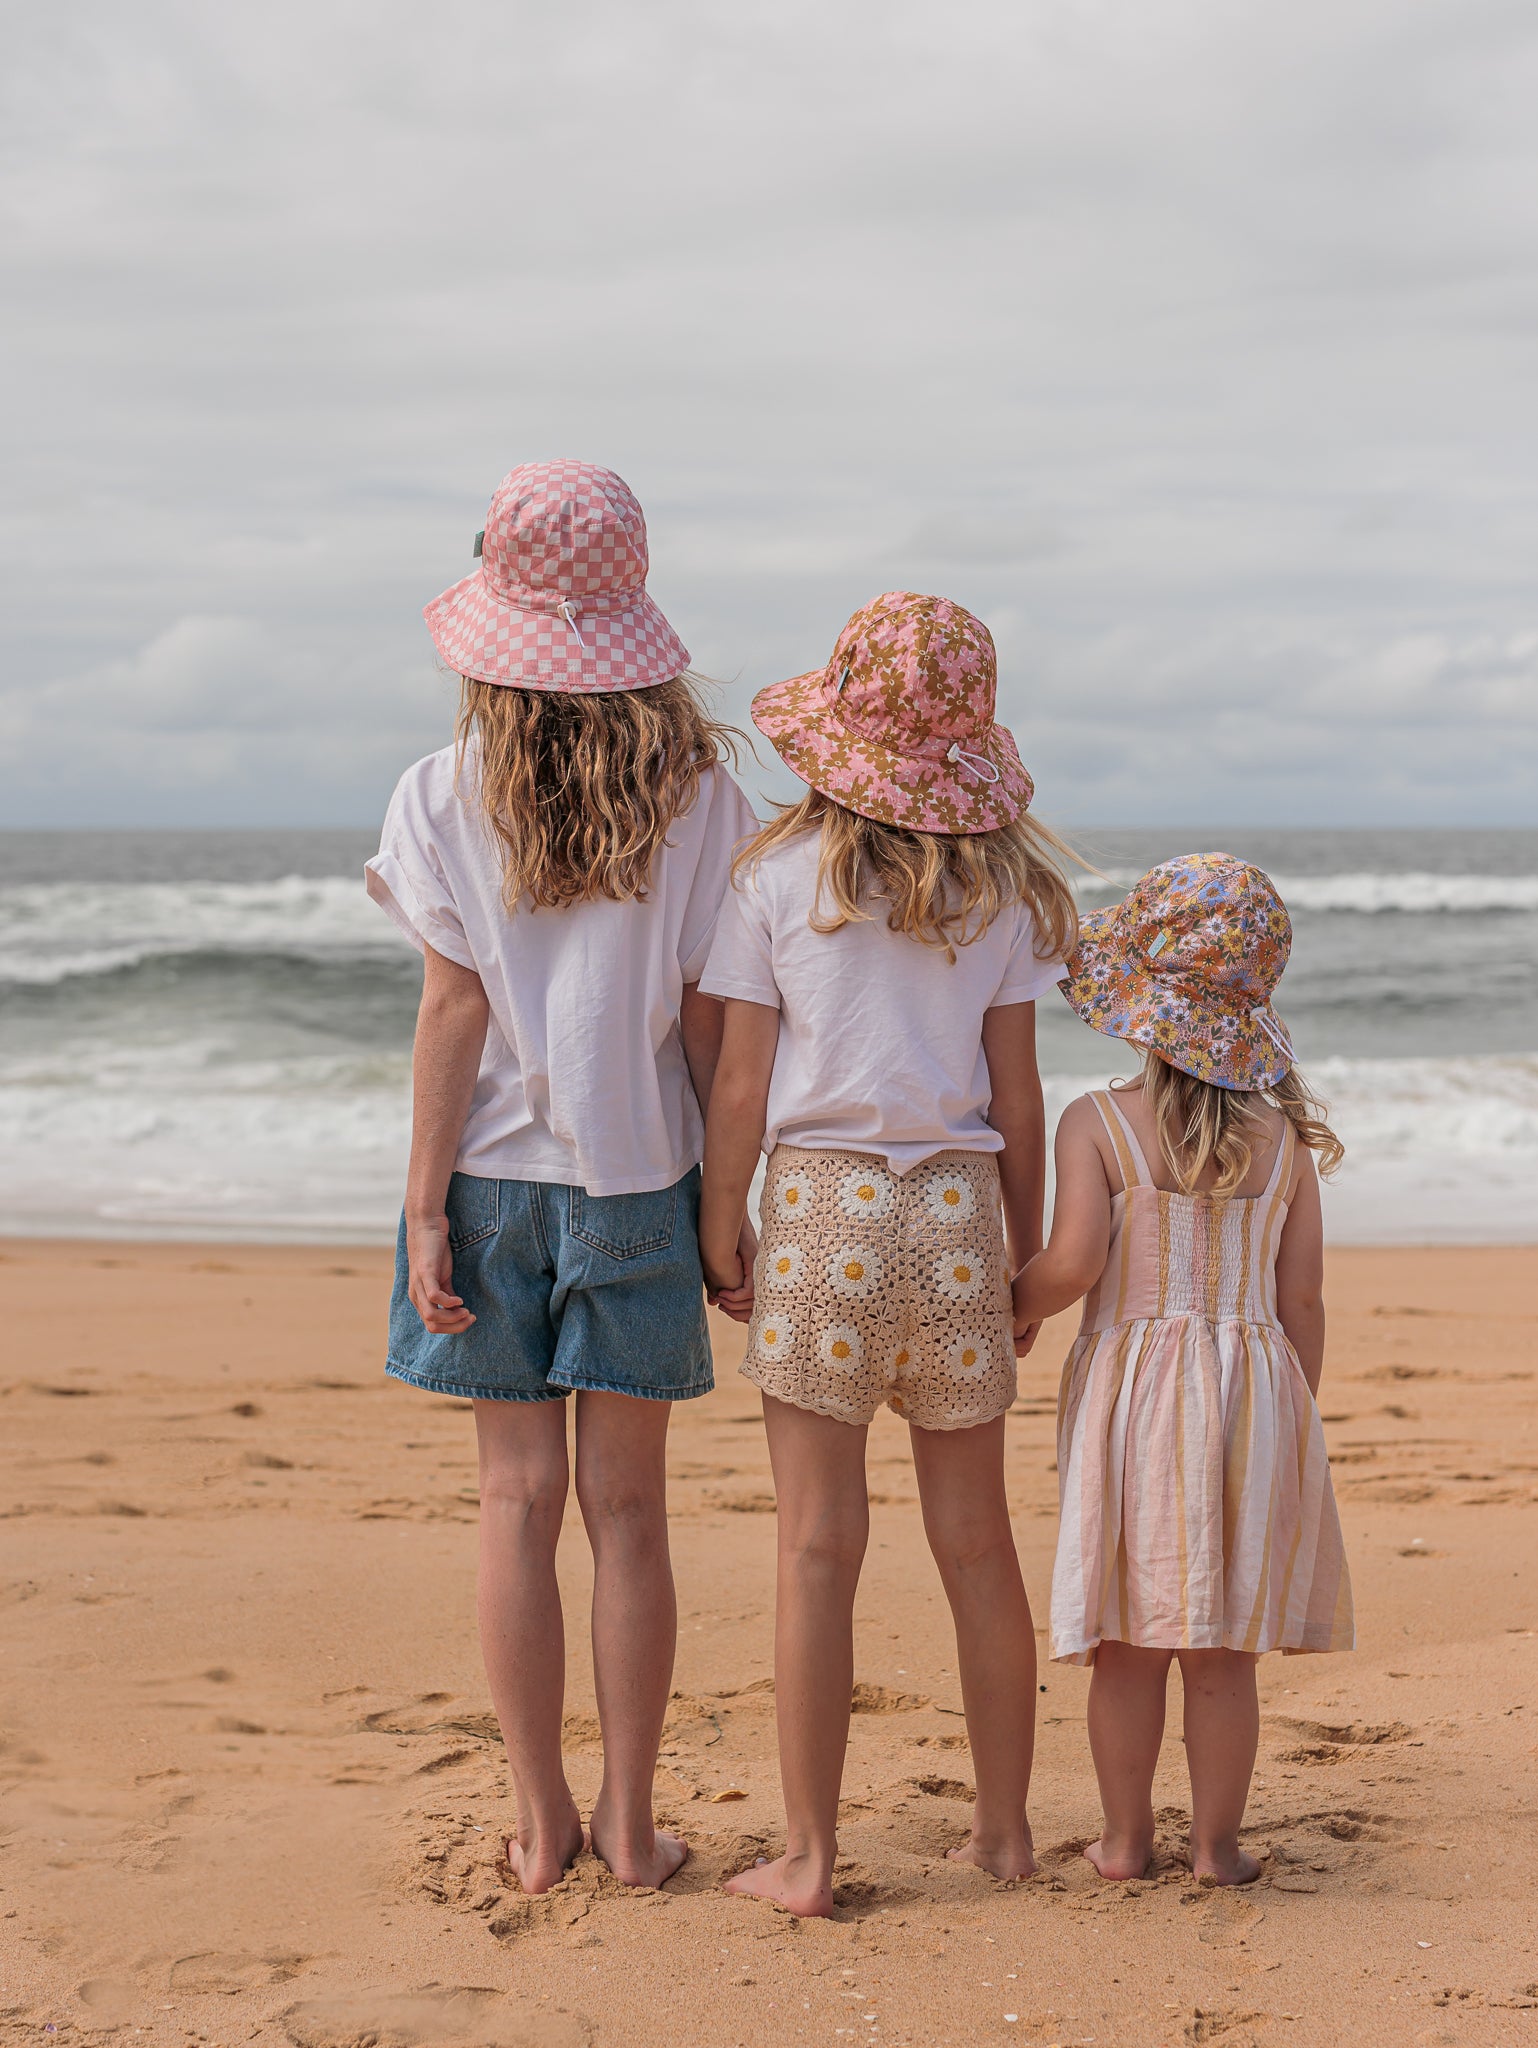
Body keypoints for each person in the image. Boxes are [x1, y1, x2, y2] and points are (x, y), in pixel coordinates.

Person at [365, 461, 757, 1894]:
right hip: (641, 1183)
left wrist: (422, 1213)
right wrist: (729, 1211)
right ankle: (636, 1825)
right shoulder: (706, 802)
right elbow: (717, 1030)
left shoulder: (438, 792)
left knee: (514, 1507)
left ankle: (539, 1829)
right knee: (632, 1518)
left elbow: (452, 1017)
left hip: (489, 1186)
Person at [696, 590, 1080, 1916]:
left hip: (821, 1213)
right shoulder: (1009, 890)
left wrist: (714, 1224)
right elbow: (1015, 1096)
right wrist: (1026, 1252)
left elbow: (740, 1086)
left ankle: (807, 1856)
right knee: (975, 1540)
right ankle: (1003, 1835)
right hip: (959, 1219)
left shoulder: (771, 876)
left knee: (817, 1543)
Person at [1014, 854, 1354, 1886]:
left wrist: (1016, 1302)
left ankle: (1122, 1842)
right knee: (1220, 1649)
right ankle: (1215, 1848)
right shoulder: (1282, 1143)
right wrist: (1292, 1407)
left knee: (1124, 1636)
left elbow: (1072, 1264)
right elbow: (1299, 1301)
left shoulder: (1100, 1122)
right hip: (1252, 1397)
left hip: (1133, 1400)